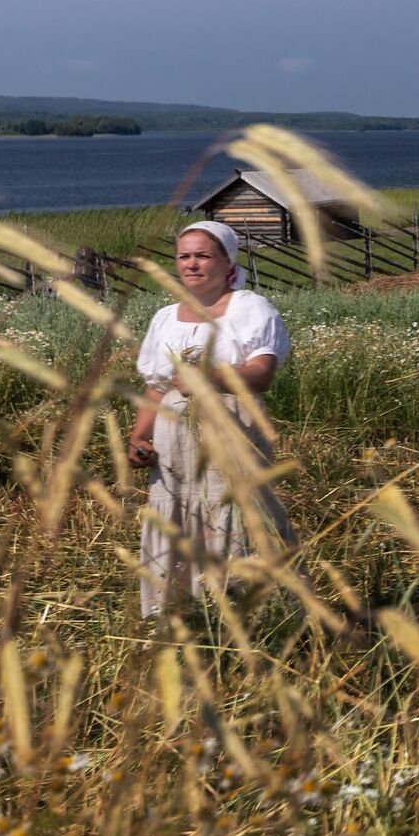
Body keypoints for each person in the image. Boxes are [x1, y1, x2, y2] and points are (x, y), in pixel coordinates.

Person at [128, 221, 293, 617]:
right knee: (178, 514)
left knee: (233, 510)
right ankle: (182, 616)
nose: (192, 264)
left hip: (231, 430)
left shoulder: (248, 308)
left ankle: (247, 613)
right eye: (184, 256)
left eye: (203, 255)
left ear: (226, 261)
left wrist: (209, 376)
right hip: (173, 439)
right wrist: (139, 436)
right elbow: (156, 386)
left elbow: (262, 373)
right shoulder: (166, 317)